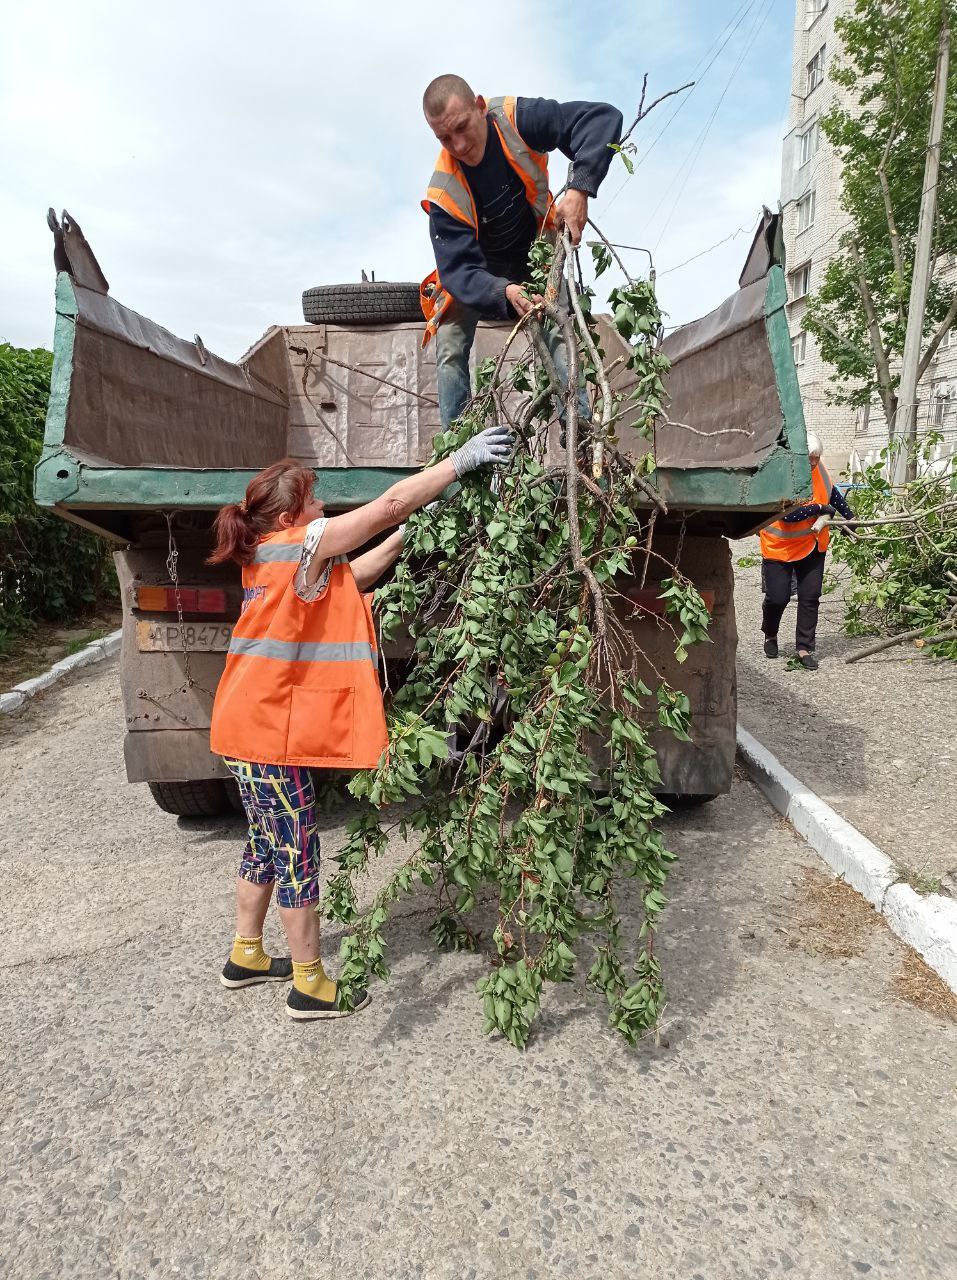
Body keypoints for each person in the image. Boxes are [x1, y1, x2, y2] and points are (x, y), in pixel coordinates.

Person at [207, 424, 512, 1021]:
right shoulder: (301, 542)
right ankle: (310, 986)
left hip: (243, 727)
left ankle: (245, 954)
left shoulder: (269, 556)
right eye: (316, 501)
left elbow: (357, 574)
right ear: (294, 513)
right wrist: (457, 464)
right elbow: (386, 504)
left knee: (266, 842)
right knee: (296, 850)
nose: (324, 509)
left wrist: (408, 536)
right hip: (265, 734)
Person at [419, 74, 624, 429]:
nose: (460, 145)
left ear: (480, 107)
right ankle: (459, 453)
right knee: (449, 342)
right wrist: (503, 290)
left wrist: (580, 188)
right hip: (479, 275)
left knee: (558, 330)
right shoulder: (443, 191)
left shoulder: (516, 119)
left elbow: (601, 119)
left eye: (463, 127)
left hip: (535, 252)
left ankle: (581, 435)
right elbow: (458, 271)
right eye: (444, 138)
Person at [759, 432, 854, 670]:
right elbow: (789, 515)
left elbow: (833, 495)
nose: (814, 462)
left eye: (817, 457)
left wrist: (850, 518)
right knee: (777, 597)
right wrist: (822, 508)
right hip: (780, 547)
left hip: (813, 545)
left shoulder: (819, 468)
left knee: (810, 597)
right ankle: (770, 633)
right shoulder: (782, 473)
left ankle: (804, 648)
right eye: (810, 458)